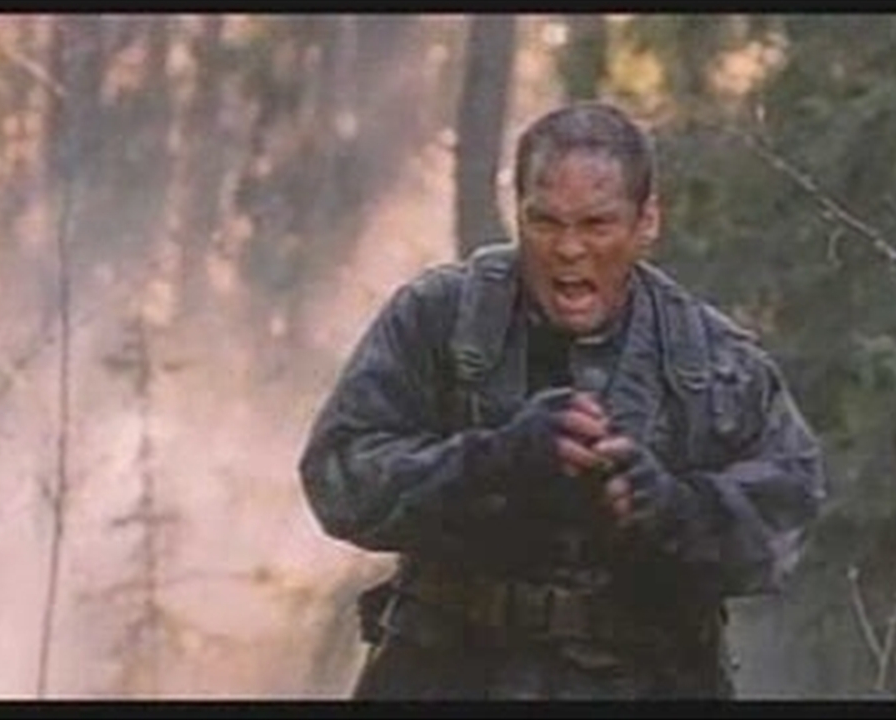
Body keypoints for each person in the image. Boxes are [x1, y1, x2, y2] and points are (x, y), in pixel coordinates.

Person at [298, 101, 827, 700]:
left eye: (597, 225)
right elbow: (339, 478)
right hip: (450, 671)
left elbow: (786, 515)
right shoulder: (441, 320)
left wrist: (672, 506)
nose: (568, 249)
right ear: (519, 215)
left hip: (647, 680)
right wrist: (491, 462)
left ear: (646, 222)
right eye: (545, 222)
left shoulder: (712, 359)